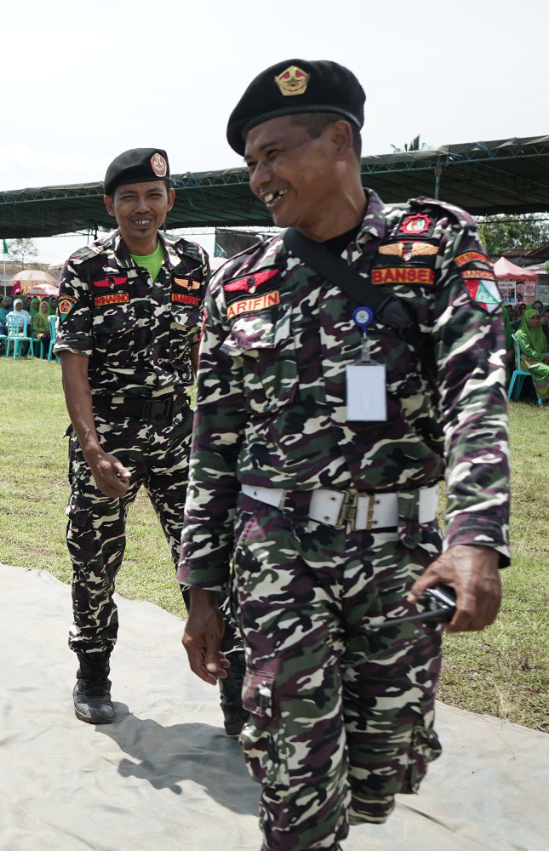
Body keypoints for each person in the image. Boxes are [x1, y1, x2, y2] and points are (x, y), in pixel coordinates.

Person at [179, 59, 510, 849]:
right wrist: (201, 585)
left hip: (400, 553)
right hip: (279, 550)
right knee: (295, 786)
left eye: (274, 153)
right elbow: (212, 443)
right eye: (250, 161)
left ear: (339, 141)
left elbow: (477, 394)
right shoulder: (241, 283)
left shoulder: (434, 244)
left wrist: (475, 538)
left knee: (378, 772)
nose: (260, 176)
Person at [54, 146, 245, 732]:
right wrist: (91, 447)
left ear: (170, 202)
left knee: (207, 558)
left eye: (154, 196)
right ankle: (93, 674)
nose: (143, 208)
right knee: (95, 559)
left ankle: (234, 683)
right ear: (110, 204)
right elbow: (74, 363)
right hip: (108, 435)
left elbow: (203, 351)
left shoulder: (193, 263)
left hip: (177, 431)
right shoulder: (86, 267)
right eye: (130, 198)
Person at [513, 308, 549, 402]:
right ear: (526, 319)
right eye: (532, 318)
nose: (536, 320)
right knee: (547, 370)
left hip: (537, 359)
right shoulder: (521, 333)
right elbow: (528, 351)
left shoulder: (539, 332)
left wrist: (545, 357)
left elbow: (544, 348)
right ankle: (543, 398)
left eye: (537, 318)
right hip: (525, 361)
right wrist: (543, 357)